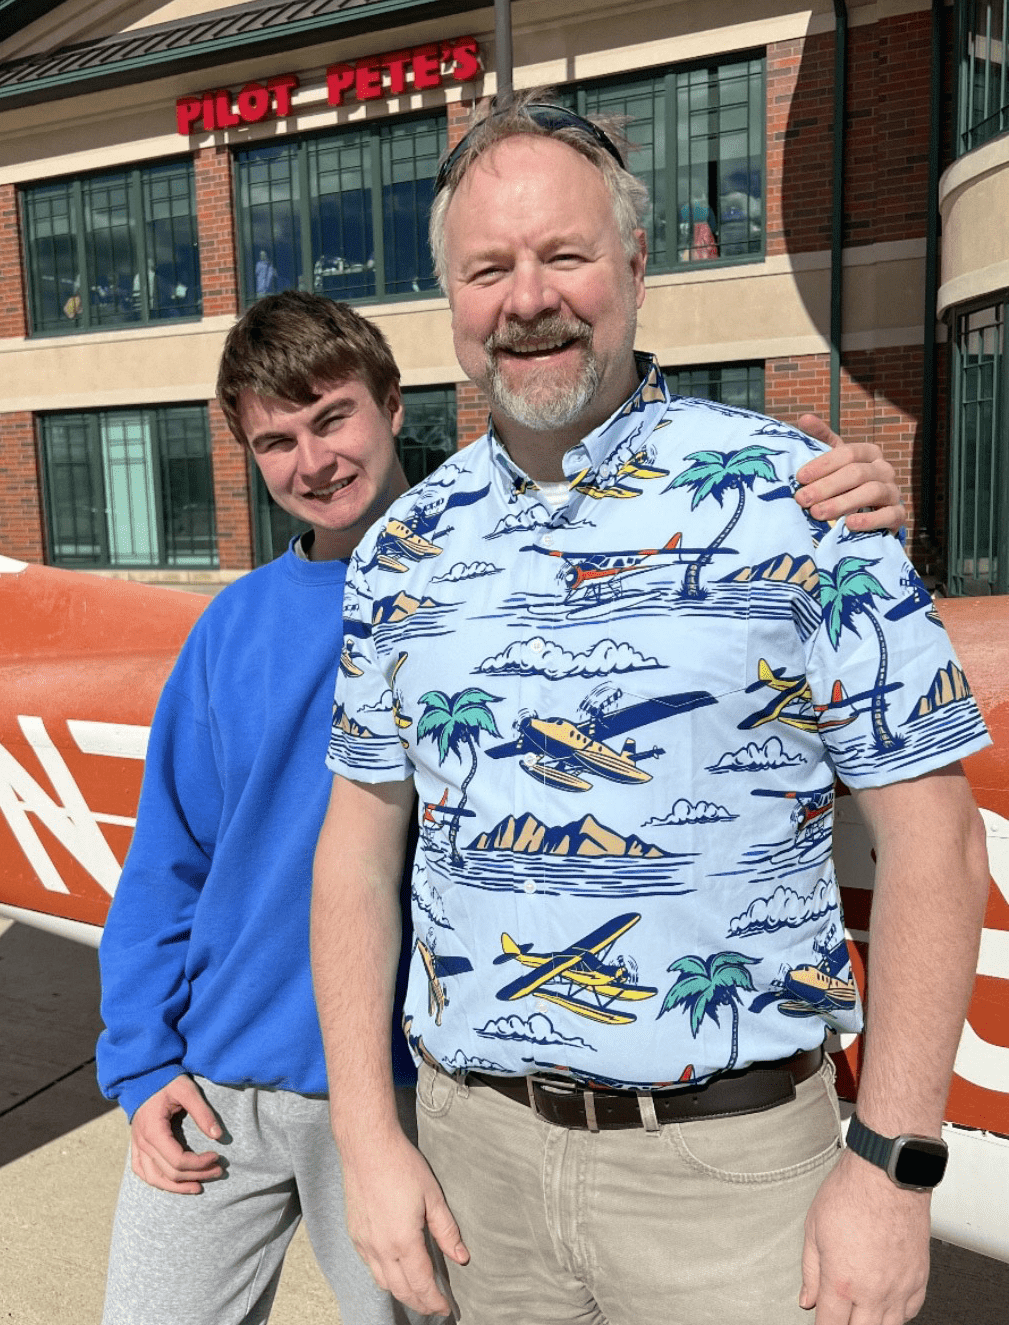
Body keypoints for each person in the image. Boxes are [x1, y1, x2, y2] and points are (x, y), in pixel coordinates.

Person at [311, 95, 991, 1325]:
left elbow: (936, 836)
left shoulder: (803, 498)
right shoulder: (399, 547)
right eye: (488, 268)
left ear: (636, 264)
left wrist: (894, 1163)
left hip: (731, 1187)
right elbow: (358, 848)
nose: (527, 298)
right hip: (476, 1167)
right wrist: (368, 1136)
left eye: (564, 255)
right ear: (452, 303)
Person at [97, 290, 425, 1325]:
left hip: (403, 1093)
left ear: (393, 403)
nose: (312, 460)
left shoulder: (481, 579)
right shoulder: (230, 627)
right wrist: (142, 1059)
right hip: (218, 1084)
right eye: (275, 440)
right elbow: (167, 863)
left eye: (332, 417)